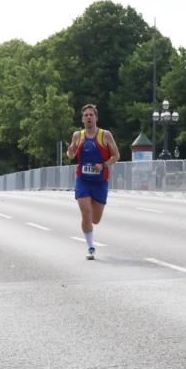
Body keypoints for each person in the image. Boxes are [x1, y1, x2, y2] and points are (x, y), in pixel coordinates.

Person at [67, 104, 120, 259]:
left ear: (96, 118)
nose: (88, 117)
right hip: (82, 180)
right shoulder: (78, 135)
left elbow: (116, 156)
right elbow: (71, 155)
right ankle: (90, 247)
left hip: (100, 181)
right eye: (86, 115)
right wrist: (70, 151)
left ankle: (90, 228)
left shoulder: (105, 135)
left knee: (95, 219)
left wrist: (103, 165)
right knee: (86, 213)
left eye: (91, 115)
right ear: (83, 119)